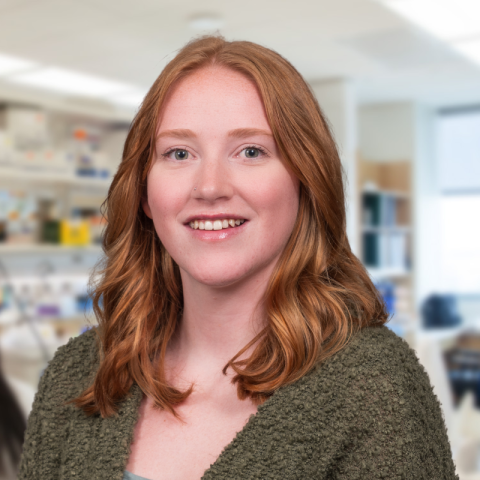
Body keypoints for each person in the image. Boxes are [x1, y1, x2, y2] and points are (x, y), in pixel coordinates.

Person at [18, 36, 458, 480]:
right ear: (145, 194)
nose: (209, 187)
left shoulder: (373, 387)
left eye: (251, 151)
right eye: (179, 153)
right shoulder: (78, 374)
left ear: (306, 182)